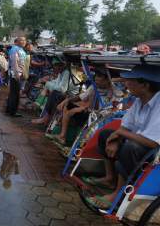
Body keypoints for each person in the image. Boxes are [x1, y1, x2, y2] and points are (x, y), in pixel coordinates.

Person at [86, 65, 160, 209]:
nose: (126, 83)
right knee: (105, 134)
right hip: (138, 146)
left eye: (130, 81)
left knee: (130, 146)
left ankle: (118, 193)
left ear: (144, 85)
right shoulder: (139, 101)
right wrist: (116, 138)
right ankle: (109, 178)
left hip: (152, 153)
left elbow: (152, 142)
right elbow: (126, 125)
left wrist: (120, 134)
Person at [53, 69, 119, 145]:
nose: (96, 81)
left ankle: (62, 136)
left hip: (99, 117)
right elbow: (80, 97)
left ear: (107, 80)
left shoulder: (115, 92)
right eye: (96, 77)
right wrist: (66, 100)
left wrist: (84, 108)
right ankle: (62, 136)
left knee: (71, 111)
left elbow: (111, 109)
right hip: (89, 112)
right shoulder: (94, 87)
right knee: (67, 105)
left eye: (99, 78)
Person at [31, 59, 76, 126]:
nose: (54, 69)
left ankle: (45, 117)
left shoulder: (67, 73)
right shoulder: (62, 73)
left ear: (60, 66)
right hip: (64, 94)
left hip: (71, 95)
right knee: (52, 91)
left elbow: (62, 89)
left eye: (55, 66)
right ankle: (43, 113)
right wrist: (48, 83)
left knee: (54, 93)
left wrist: (48, 84)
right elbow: (56, 83)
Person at [6, 37, 27, 117]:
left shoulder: (21, 50)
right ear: (17, 42)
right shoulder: (15, 49)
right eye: (22, 40)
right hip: (16, 74)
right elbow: (14, 63)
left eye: (25, 40)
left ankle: (9, 109)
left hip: (18, 73)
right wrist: (17, 74)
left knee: (13, 92)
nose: (24, 41)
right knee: (15, 93)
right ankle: (13, 112)